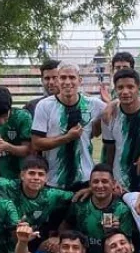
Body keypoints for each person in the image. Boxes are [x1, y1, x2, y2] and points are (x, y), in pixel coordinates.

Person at [31, 61, 105, 189]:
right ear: (57, 80)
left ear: (79, 80)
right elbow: (36, 143)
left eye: (72, 77)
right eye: (63, 77)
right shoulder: (45, 106)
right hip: (54, 180)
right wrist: (67, 138)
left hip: (85, 178)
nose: (67, 82)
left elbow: (120, 107)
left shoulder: (94, 104)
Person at [62, 164, 140, 253]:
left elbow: (127, 245)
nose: (100, 186)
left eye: (104, 181)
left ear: (113, 183)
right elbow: (65, 226)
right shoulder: (80, 204)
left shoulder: (122, 210)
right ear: (89, 184)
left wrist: (116, 231)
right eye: (95, 182)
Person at [0, 156, 73, 253]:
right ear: (22, 175)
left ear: (46, 178)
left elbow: (77, 197)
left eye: (40, 174)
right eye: (31, 173)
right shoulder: (6, 186)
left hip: (33, 237)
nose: (36, 178)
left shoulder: (51, 195)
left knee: (54, 248)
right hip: (2, 237)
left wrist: (89, 190)